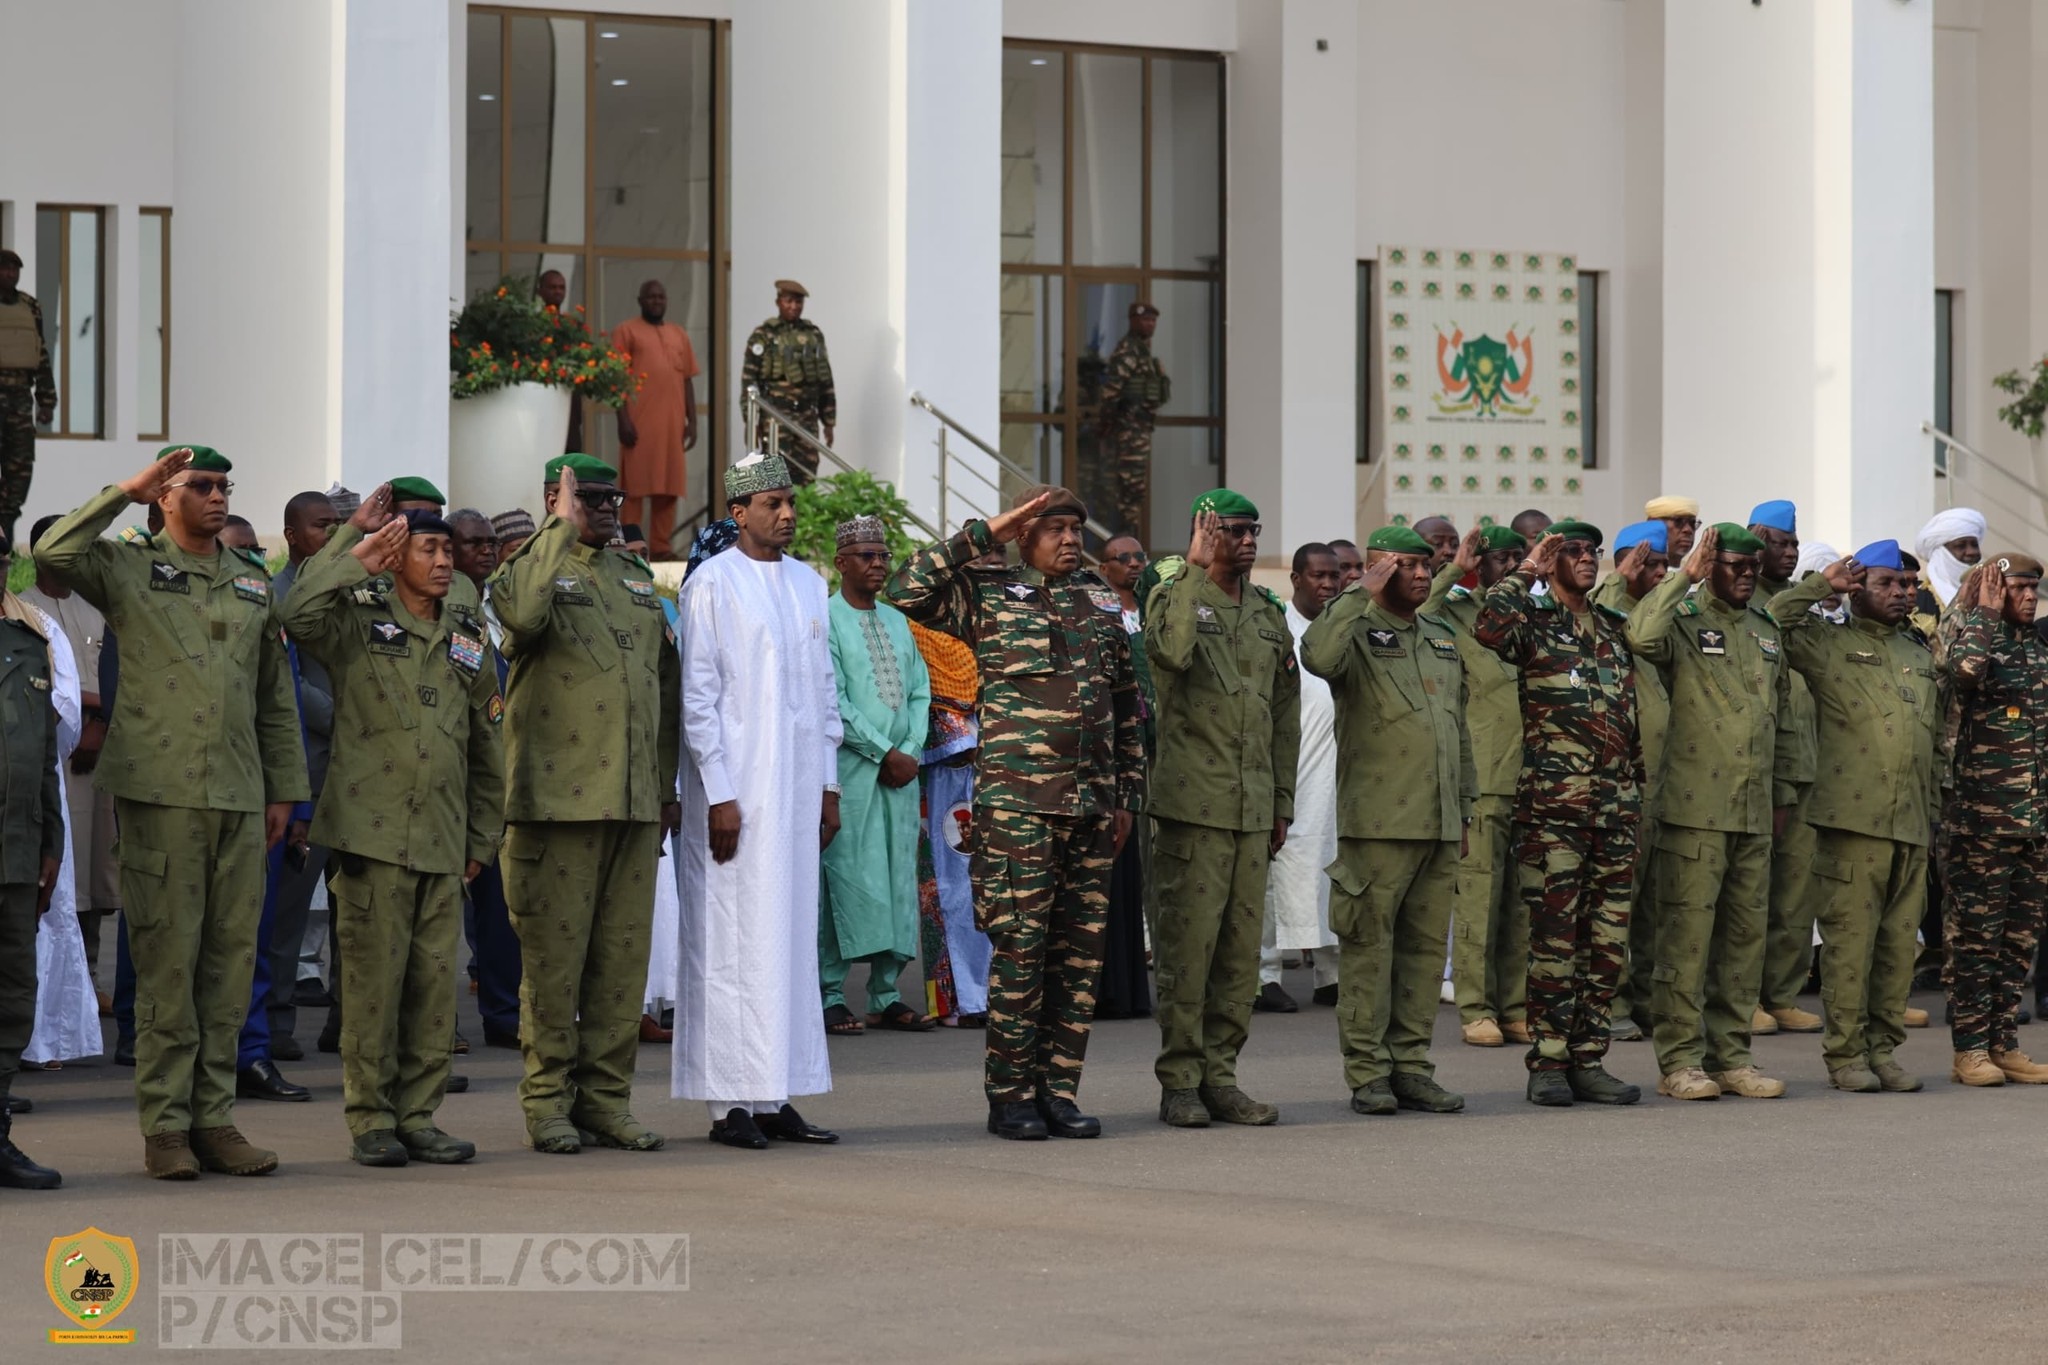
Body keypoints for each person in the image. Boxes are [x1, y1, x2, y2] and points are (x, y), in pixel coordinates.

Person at [34, 446, 308, 1178]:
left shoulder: (250, 581)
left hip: (240, 796)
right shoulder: (128, 565)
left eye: (226, 486)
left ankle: (214, 1119)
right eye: (203, 486)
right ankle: (165, 1127)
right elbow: (51, 550)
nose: (218, 496)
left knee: (227, 963)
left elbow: (273, 694)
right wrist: (125, 490)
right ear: (167, 496)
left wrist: (283, 788)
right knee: (167, 964)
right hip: (161, 794)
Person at [887, 485, 1144, 1141]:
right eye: (1050, 528)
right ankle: (1010, 1095)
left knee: (1078, 962)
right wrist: (989, 531)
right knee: (1022, 954)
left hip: (1090, 809)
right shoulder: (987, 597)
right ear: (1023, 539)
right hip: (1018, 811)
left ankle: (1059, 1089)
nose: (1066, 539)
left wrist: (1126, 798)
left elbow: (1126, 706)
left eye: (1073, 528)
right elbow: (905, 590)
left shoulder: (1100, 605)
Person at [282, 509, 504, 1165]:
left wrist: (481, 836)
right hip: (372, 836)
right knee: (375, 989)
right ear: (399, 555)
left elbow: (488, 740)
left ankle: (420, 1115)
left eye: (446, 550)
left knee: (434, 990)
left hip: (442, 837)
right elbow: (296, 613)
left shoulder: (466, 636)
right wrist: (356, 549)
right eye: (428, 549)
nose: (443, 561)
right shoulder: (358, 623)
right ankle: (372, 1118)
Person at [488, 453, 679, 1155]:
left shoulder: (634, 579)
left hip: (629, 806)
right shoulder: (530, 569)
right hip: (558, 804)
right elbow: (520, 614)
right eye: (587, 496)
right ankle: (546, 1102)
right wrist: (558, 528)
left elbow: (665, 691)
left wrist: (661, 791)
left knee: (621, 964)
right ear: (554, 496)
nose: (604, 507)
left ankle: (605, 1100)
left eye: (610, 497)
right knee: (553, 967)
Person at [674, 451, 842, 1149]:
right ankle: (728, 1106)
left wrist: (829, 785)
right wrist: (719, 793)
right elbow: (700, 697)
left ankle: (775, 1094)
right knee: (731, 941)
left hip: (798, 792)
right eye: (772, 503)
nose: (788, 513)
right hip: (738, 796)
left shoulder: (809, 584)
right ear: (738, 512)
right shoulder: (712, 584)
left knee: (788, 940)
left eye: (791, 502)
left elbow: (824, 693)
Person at [1302, 526, 1474, 1117]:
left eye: (1427, 566)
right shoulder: (1354, 632)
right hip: (1377, 823)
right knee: (1369, 957)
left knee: (1424, 959)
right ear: (1379, 571)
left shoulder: (1441, 637)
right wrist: (1357, 592)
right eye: (1407, 566)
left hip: (1439, 822)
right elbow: (1317, 655)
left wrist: (1466, 808)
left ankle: (1412, 1068)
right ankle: (1369, 1074)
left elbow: (1459, 730)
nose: (1423, 575)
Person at [1473, 522, 1646, 1106]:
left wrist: (1632, 796)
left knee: (1605, 945)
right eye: (1570, 551)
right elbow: (1489, 626)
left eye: (1590, 551)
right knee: (1554, 942)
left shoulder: (1613, 630)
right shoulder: (1533, 625)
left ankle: (1589, 1060)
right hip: (1554, 810)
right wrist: (1527, 570)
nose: (1585, 559)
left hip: (1614, 811)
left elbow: (1628, 723)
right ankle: (1548, 1062)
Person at [1145, 492, 1301, 1128]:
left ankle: (1221, 1078)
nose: (1246, 541)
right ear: (1203, 532)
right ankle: (1179, 1081)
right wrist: (1188, 568)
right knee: (1189, 948)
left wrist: (1282, 800)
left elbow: (1284, 713)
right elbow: (1173, 654)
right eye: (1231, 531)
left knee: (1239, 956)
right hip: (1194, 805)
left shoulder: (1267, 613)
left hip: (1253, 807)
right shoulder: (1172, 595)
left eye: (1252, 531)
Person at [1626, 523, 1792, 1101]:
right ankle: (1680, 1060)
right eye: (1734, 566)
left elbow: (1784, 719)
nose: (1747, 574)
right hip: (1695, 810)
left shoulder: (1767, 631)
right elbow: (1640, 636)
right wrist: (1682, 579)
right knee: (1686, 943)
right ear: (1710, 566)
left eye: (1753, 567)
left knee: (1744, 943)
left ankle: (1732, 1057)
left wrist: (1783, 798)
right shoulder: (1684, 621)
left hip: (1752, 810)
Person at [1770, 541, 1939, 1093]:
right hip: (1851, 821)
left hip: (1910, 823)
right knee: (1850, 946)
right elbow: (1773, 624)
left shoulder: (1917, 652)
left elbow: (1932, 744)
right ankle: (1846, 1056)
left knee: (1897, 950)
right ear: (1859, 585)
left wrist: (1934, 815)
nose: (1901, 593)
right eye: (1887, 583)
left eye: (1907, 585)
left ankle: (1884, 1050)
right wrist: (1824, 583)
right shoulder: (1827, 643)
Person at [1933, 553, 2048, 1086]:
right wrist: (1982, 612)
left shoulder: (2038, 651)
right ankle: (1970, 1049)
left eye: (2033, 590)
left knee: (2018, 941)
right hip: (1982, 822)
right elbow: (1962, 672)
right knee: (1977, 941)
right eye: (2017, 589)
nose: (2027, 598)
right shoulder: (1983, 642)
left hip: (2034, 822)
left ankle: (2004, 1044)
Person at [819, 515, 935, 1035]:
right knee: (845, 875)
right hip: (852, 770)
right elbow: (833, 701)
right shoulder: (825, 619)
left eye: (883, 555)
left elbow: (920, 692)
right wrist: (885, 750)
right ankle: (828, 993)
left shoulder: (897, 621)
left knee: (895, 878)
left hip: (901, 773)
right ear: (841, 562)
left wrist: (909, 749)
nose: (878, 564)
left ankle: (886, 994)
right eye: (866, 556)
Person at [1425, 525, 1529, 1047]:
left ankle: (1514, 1004)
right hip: (1486, 779)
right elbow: (1419, 609)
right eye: (1500, 559)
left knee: (1522, 902)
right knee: (1479, 897)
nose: (1510, 567)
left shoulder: (1535, 616)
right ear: (1480, 566)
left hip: (1535, 777)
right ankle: (1476, 1006)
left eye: (1519, 558)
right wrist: (1453, 565)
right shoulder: (1458, 614)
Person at [17, 516, 118, 992]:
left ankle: (93, 978)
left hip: (106, 749)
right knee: (65, 872)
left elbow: (124, 676)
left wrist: (98, 723)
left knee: (101, 870)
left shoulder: (100, 607)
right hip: (58, 756)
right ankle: (57, 984)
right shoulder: (24, 611)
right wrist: (88, 714)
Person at [0, 532, 64, 1188]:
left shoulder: (28, 637)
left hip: (17, 853)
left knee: (14, 999)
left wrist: (52, 844)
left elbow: (43, 754)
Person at [1592, 521, 1671, 1044]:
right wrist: (1621, 578)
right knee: (1616, 899)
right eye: (1651, 566)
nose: (1662, 575)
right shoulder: (1604, 608)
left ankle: (1643, 997)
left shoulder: (1666, 615)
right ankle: (1611, 1003)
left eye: (1666, 565)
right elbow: (1605, 611)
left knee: (1654, 905)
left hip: (1668, 782)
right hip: (1620, 782)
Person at [1749, 500, 1823, 1037]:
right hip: (1757, 768)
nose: (1791, 551)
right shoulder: (1740, 599)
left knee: (1796, 892)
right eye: (1781, 542)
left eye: (1795, 543)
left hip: (1803, 765)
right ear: (1755, 542)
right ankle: (1741, 994)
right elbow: (1769, 625)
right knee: (1750, 892)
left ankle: (1782, 993)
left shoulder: (1801, 603)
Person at [1258, 543, 1341, 1012]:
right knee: (1279, 871)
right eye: (1319, 576)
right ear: (1296, 579)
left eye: (1335, 576)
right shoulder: (1278, 628)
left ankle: (1331, 975)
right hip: (1292, 767)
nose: (1329, 585)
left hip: (1338, 773)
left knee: (1337, 868)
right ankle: (1266, 973)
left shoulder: (1345, 629)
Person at [909, 617, 993, 1026]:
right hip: (948, 765)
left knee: (986, 880)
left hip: (993, 761)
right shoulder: (916, 628)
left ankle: (988, 994)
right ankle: (958, 1000)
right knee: (949, 882)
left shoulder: (993, 617)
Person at [1095, 534, 1154, 1019]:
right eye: (1124, 558)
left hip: (1136, 755)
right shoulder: (1095, 609)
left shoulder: (1154, 609)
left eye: (1140, 557)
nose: (1134, 564)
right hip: (1097, 757)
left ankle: (1128, 984)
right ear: (1104, 566)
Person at [610, 280, 701, 560]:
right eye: (651, 297)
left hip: (672, 427)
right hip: (639, 425)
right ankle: (630, 545)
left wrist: (692, 420)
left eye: (661, 297)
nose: (656, 301)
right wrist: (622, 419)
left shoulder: (679, 334)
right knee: (635, 489)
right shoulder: (626, 331)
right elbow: (616, 377)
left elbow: (686, 379)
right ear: (640, 300)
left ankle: (661, 547)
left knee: (669, 489)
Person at [741, 280, 836, 479]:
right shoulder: (763, 335)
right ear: (779, 302)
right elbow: (749, 380)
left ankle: (803, 511)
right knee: (776, 476)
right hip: (776, 417)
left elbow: (825, 380)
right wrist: (752, 421)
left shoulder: (813, 335)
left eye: (798, 302)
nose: (794, 306)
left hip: (807, 417)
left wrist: (829, 422)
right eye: (789, 301)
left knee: (807, 474)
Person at [1096, 301, 1170, 539]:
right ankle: (1124, 541)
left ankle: (1129, 539)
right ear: (1133, 321)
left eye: (1153, 320)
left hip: (1138, 429)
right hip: (1128, 430)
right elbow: (1111, 393)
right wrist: (1108, 427)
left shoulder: (1143, 350)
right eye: (1145, 320)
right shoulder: (1128, 350)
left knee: (1134, 491)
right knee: (1129, 489)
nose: (1150, 325)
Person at [0, 249, 56, 540]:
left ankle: (6, 530)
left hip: (20, 397)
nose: (10, 274)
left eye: (14, 269)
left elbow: (41, 353)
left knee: (20, 468)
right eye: (5, 269)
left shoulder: (29, 307)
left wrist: (46, 400)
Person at [1913, 507, 1985, 636]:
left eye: (1974, 545)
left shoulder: (1991, 594)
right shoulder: (1921, 599)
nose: (1972, 552)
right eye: (1960, 546)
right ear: (1942, 554)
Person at [1644, 496, 1700, 563]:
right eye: (1678, 521)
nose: (1688, 530)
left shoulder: (1699, 568)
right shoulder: (1637, 569)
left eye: (1692, 523)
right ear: (1653, 525)